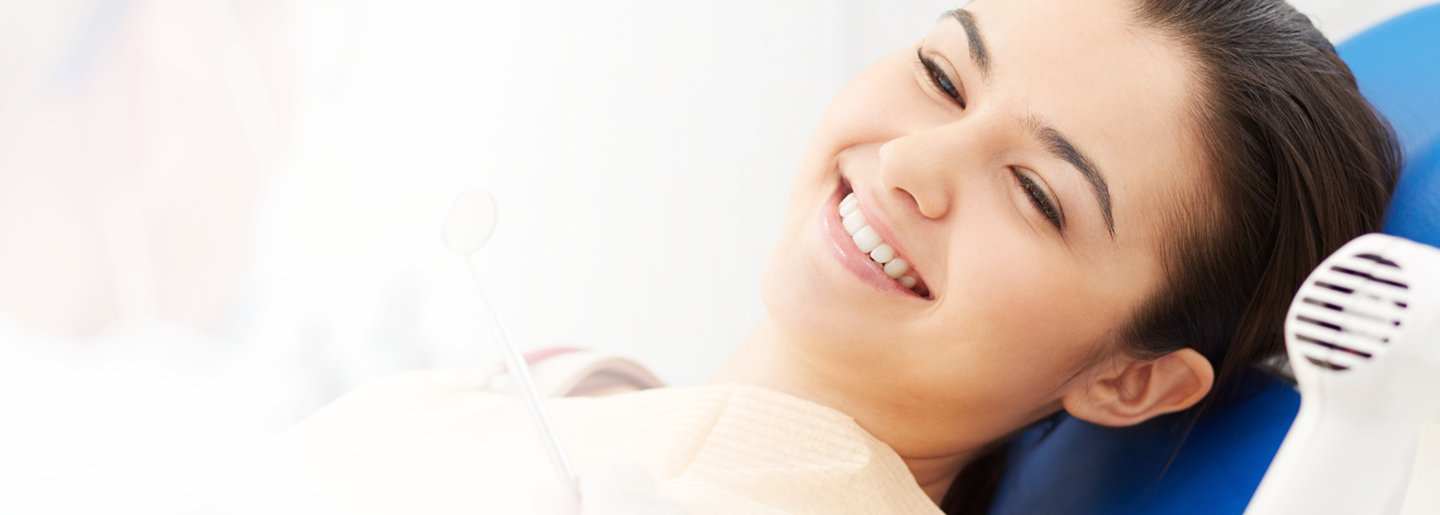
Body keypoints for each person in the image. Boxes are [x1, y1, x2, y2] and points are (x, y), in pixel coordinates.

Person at [277, 0, 1401, 513]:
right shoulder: (568, 393)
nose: (914, 157)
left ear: (1129, 376)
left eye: (1034, 192)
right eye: (947, 75)